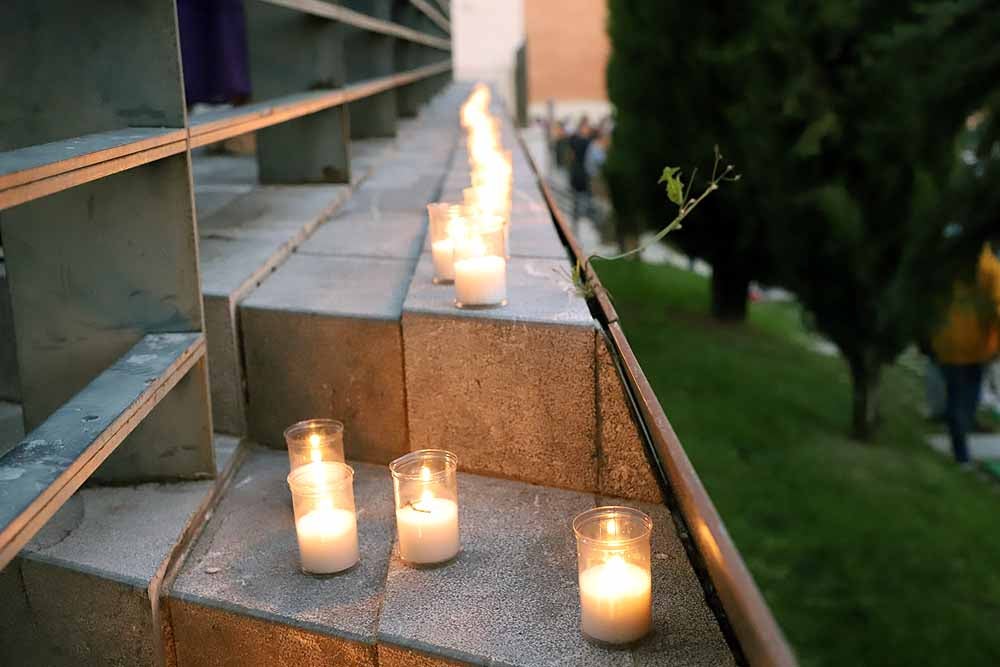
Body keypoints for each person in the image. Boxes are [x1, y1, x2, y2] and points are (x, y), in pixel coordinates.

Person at [932, 243, 1000, 466]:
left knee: (956, 397)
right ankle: (961, 453)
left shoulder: (948, 262)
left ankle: (959, 447)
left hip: (946, 339)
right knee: (966, 400)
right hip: (976, 346)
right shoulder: (991, 268)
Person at [568, 117, 594, 229]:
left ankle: (578, 219)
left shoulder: (576, 140)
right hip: (581, 173)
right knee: (582, 197)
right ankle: (583, 218)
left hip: (578, 172)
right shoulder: (586, 142)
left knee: (578, 199)